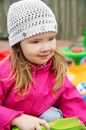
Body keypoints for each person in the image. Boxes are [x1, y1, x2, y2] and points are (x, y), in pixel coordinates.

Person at [0, 0, 86, 130]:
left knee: (52, 116)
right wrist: (15, 118)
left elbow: (70, 100)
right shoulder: (6, 72)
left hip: (42, 122)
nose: (46, 48)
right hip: (12, 123)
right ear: (18, 44)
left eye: (51, 39)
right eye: (35, 42)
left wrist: (82, 122)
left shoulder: (54, 67)